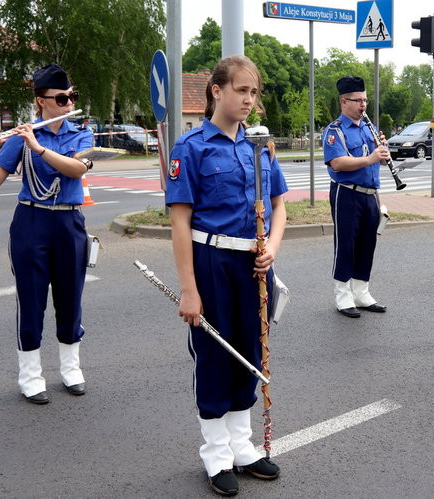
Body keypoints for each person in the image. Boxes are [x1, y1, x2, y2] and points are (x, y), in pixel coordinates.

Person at [166, 55, 286, 496]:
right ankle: (216, 454)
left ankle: (243, 447)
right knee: (216, 358)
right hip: (211, 264)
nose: (249, 100)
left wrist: (271, 248)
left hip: (253, 267)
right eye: (241, 90)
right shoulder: (191, 147)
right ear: (217, 90)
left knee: (250, 355)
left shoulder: (261, 146)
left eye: (254, 92)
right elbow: (180, 223)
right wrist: (188, 290)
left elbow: (279, 206)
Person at [0, 64, 91, 404]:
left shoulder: (79, 134)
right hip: (31, 221)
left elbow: (77, 169)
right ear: (42, 102)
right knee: (31, 300)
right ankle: (30, 375)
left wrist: (39, 147)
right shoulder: (23, 138)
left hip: (69, 223)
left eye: (72, 96)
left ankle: (71, 368)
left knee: (70, 299)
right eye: (62, 98)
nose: (69, 102)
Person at [323, 76, 388, 318]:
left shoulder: (368, 128)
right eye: (357, 100)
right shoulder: (334, 131)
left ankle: (361, 292)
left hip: (370, 194)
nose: (363, 105)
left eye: (365, 100)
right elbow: (338, 163)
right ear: (344, 101)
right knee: (346, 245)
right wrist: (371, 158)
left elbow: (375, 159)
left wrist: (382, 151)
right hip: (346, 193)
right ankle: (343, 294)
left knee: (367, 244)